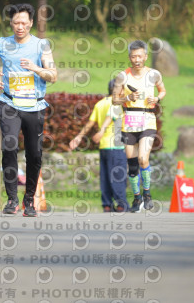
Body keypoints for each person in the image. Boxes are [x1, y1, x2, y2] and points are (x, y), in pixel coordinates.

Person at [0, 3, 57, 217]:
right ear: (11, 23)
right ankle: (11, 199)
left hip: (34, 105)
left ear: (31, 23)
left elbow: (53, 75)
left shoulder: (41, 45)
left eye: (24, 23)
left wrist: (36, 68)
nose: (20, 27)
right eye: (16, 23)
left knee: (34, 154)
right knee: (9, 146)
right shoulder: (1, 43)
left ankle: (29, 200)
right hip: (9, 102)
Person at [112, 40, 166, 213]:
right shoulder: (122, 76)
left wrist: (157, 98)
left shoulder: (154, 74)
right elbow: (114, 99)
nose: (137, 59)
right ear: (129, 57)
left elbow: (163, 90)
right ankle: (136, 198)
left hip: (148, 119)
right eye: (133, 56)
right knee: (133, 164)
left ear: (145, 57)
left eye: (140, 56)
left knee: (143, 158)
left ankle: (147, 194)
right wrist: (127, 98)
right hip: (129, 120)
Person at [69, 79, 129, 212]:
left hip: (104, 146)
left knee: (106, 176)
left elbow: (90, 124)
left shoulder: (100, 104)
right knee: (118, 176)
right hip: (116, 145)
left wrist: (79, 137)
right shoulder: (117, 103)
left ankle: (107, 204)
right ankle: (121, 205)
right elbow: (112, 117)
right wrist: (102, 130)